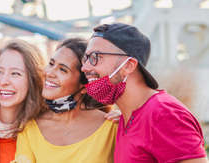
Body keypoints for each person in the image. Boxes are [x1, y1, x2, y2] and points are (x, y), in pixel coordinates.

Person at [81, 23, 207, 162]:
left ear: (128, 65)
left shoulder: (163, 114)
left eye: (95, 57)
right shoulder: (127, 118)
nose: (84, 67)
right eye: (85, 58)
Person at [13, 38, 118, 163]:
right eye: (51, 64)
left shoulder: (112, 127)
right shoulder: (29, 128)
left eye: (63, 69)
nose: (49, 73)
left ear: (85, 86)